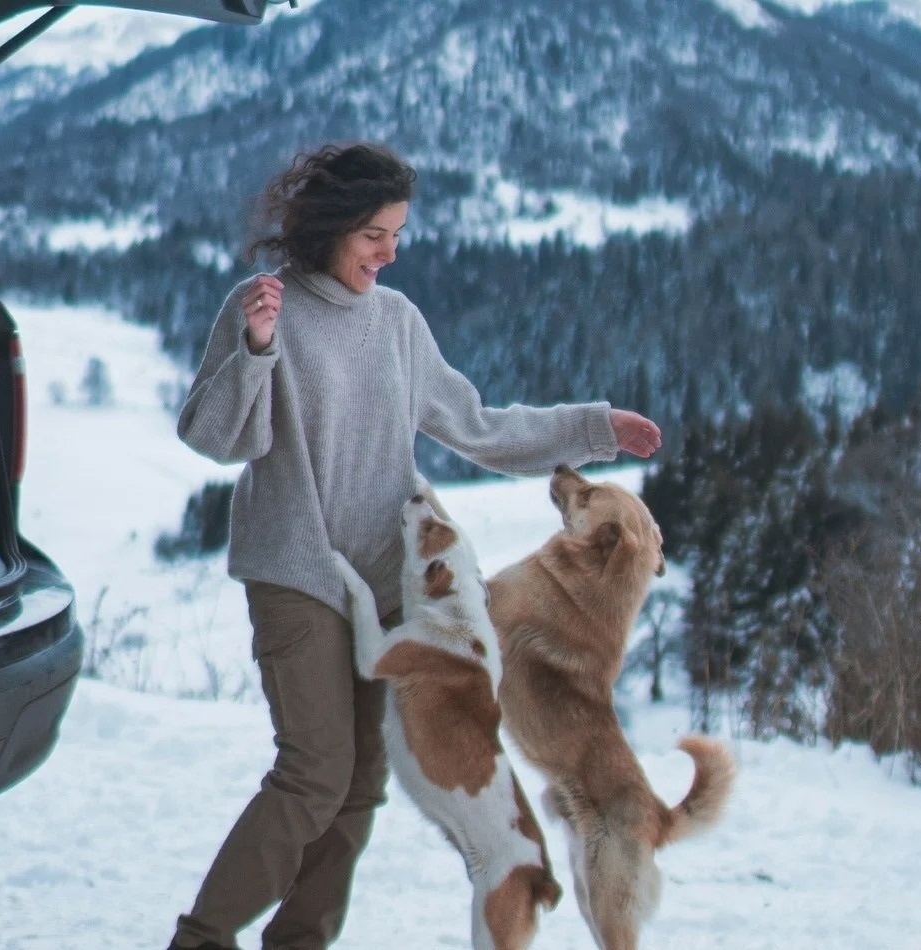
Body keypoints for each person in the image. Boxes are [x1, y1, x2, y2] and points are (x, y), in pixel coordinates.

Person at [168, 141, 662, 950]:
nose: (391, 252)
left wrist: (596, 429)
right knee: (312, 773)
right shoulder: (263, 303)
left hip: (389, 577)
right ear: (330, 226)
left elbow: (479, 427)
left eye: (398, 233)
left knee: (361, 788)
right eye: (375, 235)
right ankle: (201, 939)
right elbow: (216, 437)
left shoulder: (397, 323)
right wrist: (257, 349)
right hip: (296, 570)